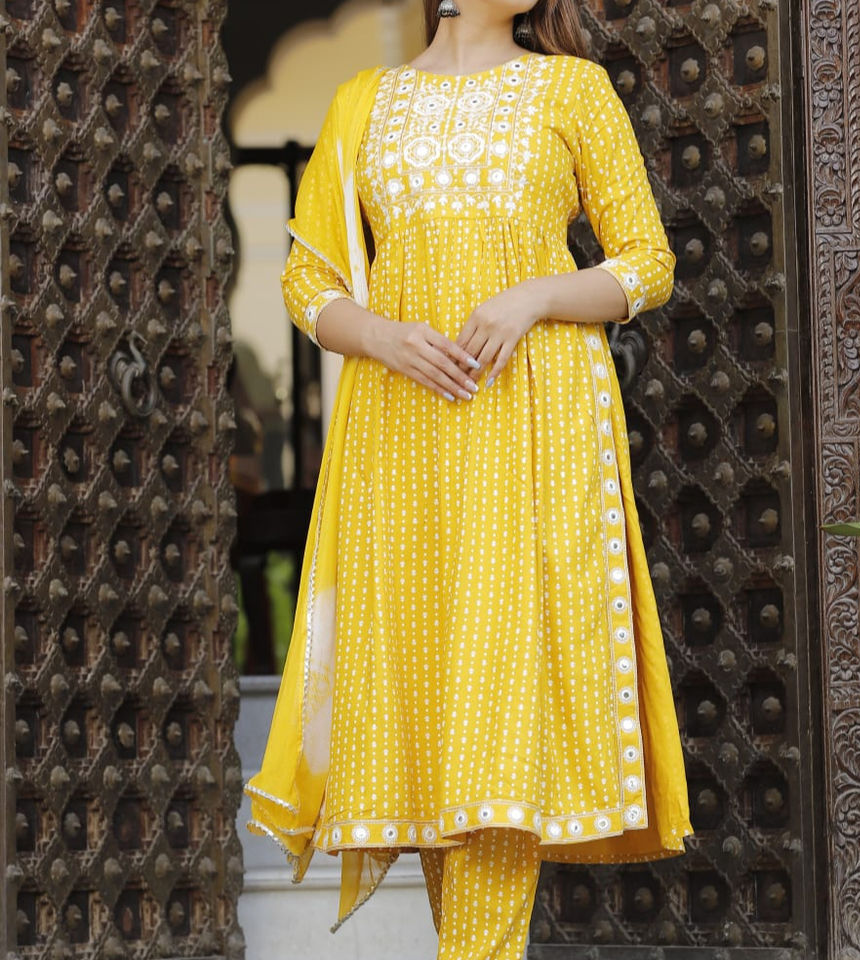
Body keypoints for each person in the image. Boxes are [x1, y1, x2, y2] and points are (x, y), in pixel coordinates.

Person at [244, 0, 694, 955]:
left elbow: (647, 264)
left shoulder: (571, 89)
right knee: (431, 714)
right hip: (401, 438)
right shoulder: (363, 101)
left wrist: (536, 294)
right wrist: (382, 337)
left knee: (499, 705)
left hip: (533, 427)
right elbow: (307, 282)